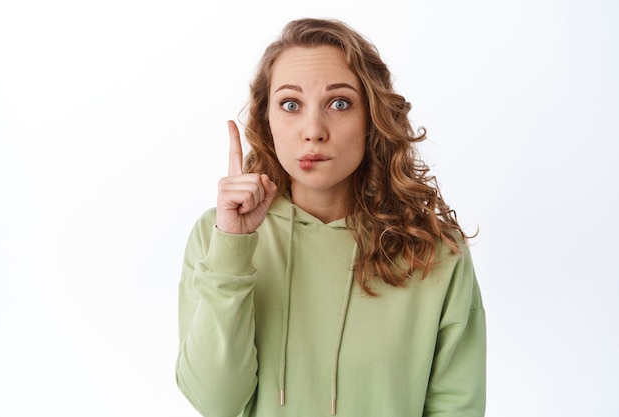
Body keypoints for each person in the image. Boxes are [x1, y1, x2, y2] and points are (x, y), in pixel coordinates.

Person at [175, 17, 486, 417]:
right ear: (267, 121)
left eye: (339, 103)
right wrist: (232, 249)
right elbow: (215, 403)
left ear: (372, 119)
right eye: (291, 104)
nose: (313, 130)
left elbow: (456, 407)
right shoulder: (216, 235)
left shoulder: (435, 250)